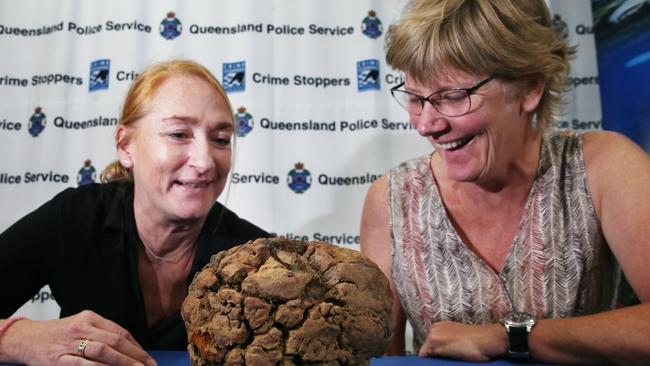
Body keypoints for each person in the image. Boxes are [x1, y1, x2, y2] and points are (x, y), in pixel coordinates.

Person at [360, 0, 650, 364]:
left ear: (529, 88)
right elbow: (376, 359)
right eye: (416, 99)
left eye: (452, 97)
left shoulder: (603, 166)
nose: (425, 124)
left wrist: (508, 336)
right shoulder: (391, 200)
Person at [0, 60, 270, 365]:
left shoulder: (259, 259)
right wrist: (16, 338)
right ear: (126, 146)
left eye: (220, 139)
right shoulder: (75, 217)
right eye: (179, 134)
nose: (205, 161)